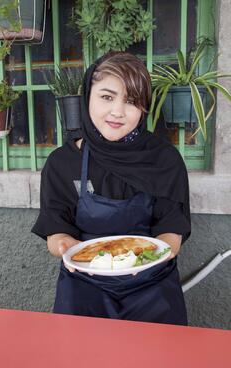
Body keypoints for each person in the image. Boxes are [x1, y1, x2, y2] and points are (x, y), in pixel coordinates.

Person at [32, 51, 191, 325]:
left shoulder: (165, 159)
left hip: (152, 286)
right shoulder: (62, 163)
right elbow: (57, 229)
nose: (118, 111)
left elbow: (171, 231)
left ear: (143, 108)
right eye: (107, 97)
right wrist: (67, 247)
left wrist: (142, 259)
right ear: (87, 97)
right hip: (84, 285)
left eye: (131, 101)